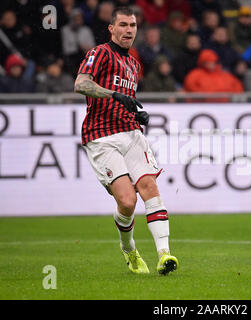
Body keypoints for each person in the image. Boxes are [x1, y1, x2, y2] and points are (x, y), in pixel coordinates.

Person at [74, 7, 179, 276]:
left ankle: (164, 255)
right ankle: (129, 248)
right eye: (123, 24)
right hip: (101, 136)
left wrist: (135, 111)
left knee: (149, 186)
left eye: (133, 25)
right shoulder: (99, 53)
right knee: (128, 201)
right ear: (112, 28)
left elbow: (125, 99)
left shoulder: (134, 63)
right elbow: (81, 84)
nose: (129, 30)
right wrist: (114, 96)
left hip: (130, 133)